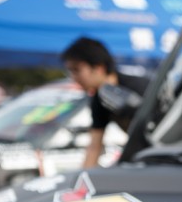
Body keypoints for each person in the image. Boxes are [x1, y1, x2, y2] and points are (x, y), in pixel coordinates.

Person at [60, 36, 150, 168]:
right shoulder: (98, 100)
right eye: (70, 72)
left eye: (77, 70)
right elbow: (94, 147)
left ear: (99, 68)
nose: (74, 77)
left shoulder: (140, 87)